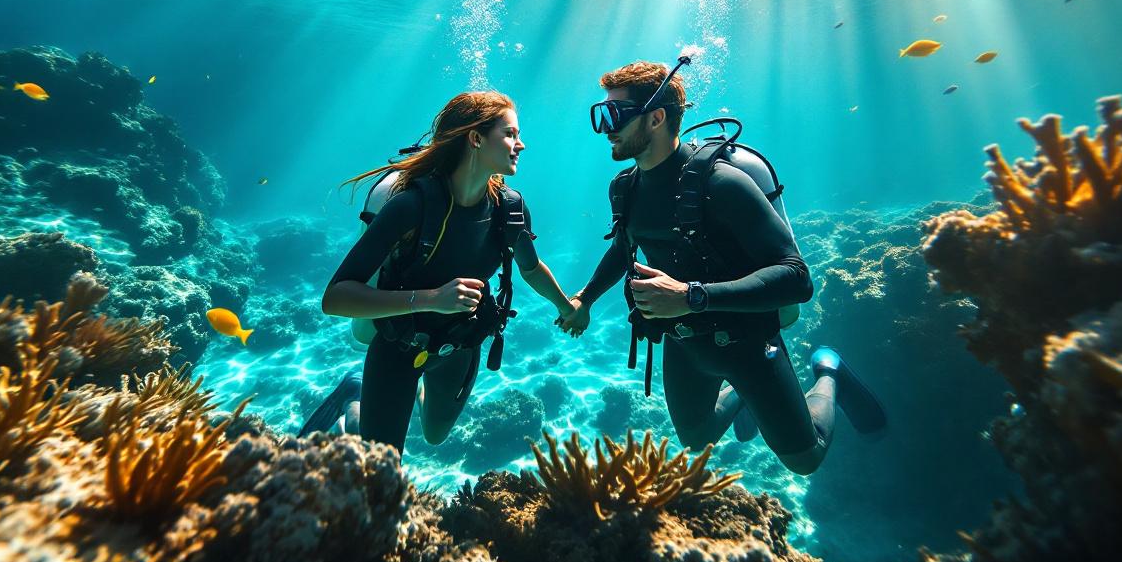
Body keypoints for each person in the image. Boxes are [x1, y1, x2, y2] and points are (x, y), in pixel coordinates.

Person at [560, 56, 887, 474]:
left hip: (746, 344)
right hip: (683, 341)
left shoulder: (722, 184)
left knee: (807, 459)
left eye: (615, 115)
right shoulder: (624, 188)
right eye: (600, 115)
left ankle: (829, 371)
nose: (605, 128)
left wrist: (691, 296)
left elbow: (797, 278)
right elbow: (624, 246)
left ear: (656, 118)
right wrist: (585, 299)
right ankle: (743, 396)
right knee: (696, 439)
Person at [301, 91, 573, 454]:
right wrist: (432, 299)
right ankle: (355, 399)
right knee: (381, 467)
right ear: (475, 139)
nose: (520, 144)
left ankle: (391, 403)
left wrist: (568, 307)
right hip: (398, 348)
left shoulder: (510, 209)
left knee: (435, 435)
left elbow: (531, 268)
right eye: (510, 134)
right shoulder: (411, 206)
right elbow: (335, 298)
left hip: (459, 346)